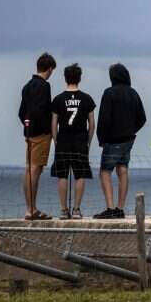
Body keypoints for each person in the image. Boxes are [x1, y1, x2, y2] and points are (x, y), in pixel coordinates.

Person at [94, 63, 147, 219]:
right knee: (122, 170)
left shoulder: (109, 93)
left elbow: (104, 118)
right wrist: (131, 130)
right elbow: (142, 118)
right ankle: (120, 208)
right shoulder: (133, 93)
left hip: (112, 139)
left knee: (105, 172)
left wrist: (101, 138)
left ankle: (110, 208)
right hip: (128, 139)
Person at [49, 63, 94, 219]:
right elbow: (92, 124)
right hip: (80, 140)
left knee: (62, 175)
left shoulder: (58, 99)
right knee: (80, 175)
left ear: (65, 78)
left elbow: (53, 123)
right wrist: (88, 141)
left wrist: (56, 140)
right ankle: (76, 209)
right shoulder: (87, 99)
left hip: (63, 140)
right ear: (79, 78)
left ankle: (63, 210)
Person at [19, 52, 56, 221]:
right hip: (41, 133)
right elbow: (42, 110)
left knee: (29, 169)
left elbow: (22, 112)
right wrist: (48, 130)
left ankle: (29, 208)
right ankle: (31, 209)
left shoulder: (27, 86)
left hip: (29, 133)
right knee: (35, 170)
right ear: (49, 69)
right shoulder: (44, 86)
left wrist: (27, 126)